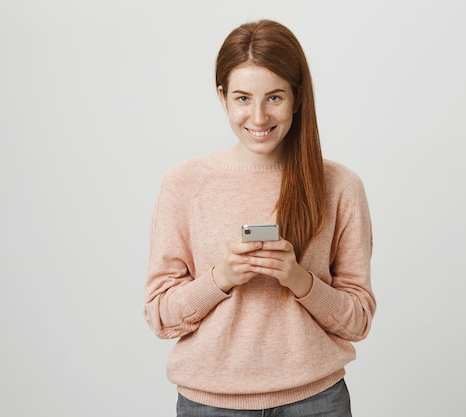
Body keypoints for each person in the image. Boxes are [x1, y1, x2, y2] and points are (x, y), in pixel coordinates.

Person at [144, 19, 376, 417]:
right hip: (209, 404)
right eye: (242, 98)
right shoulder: (183, 184)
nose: (257, 116)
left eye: (274, 97)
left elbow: (357, 322)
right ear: (223, 98)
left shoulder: (340, 186)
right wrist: (222, 278)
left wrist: (299, 279)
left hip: (315, 401)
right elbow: (161, 316)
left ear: (297, 98)